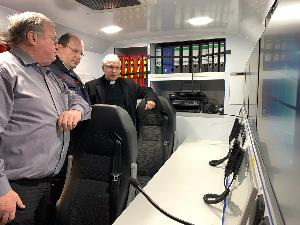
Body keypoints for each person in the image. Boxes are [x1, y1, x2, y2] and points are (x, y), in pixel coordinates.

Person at [0, 11, 91, 225]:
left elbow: (81, 102)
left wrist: (75, 111)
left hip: (46, 184)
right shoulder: (6, 70)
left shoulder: (48, 75)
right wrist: (2, 190)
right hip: (15, 190)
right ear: (33, 37)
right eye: (53, 38)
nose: (56, 45)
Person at [85, 53, 158, 124]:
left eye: (117, 68)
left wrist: (150, 99)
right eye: (110, 67)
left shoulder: (129, 84)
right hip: (102, 128)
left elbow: (147, 90)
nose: (114, 71)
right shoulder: (91, 86)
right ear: (103, 68)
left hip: (126, 128)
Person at [50, 33, 90, 103]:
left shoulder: (73, 74)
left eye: (81, 54)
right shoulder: (49, 72)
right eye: (75, 51)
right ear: (59, 47)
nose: (79, 57)